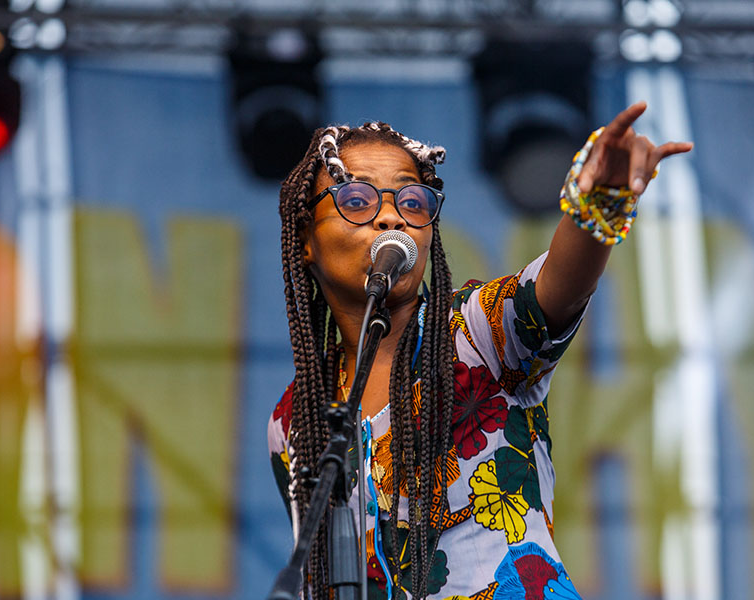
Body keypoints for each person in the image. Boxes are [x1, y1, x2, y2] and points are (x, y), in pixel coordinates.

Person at [267, 103, 693, 600]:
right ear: (305, 238)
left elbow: (559, 286)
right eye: (357, 200)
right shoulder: (294, 420)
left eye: (412, 201)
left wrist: (597, 203)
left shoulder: (477, 331)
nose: (390, 216)